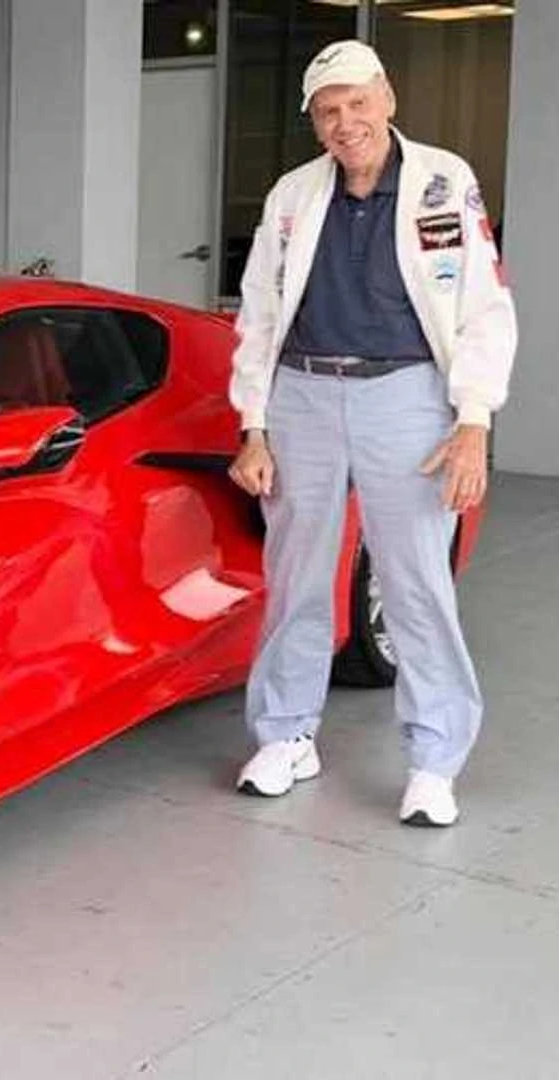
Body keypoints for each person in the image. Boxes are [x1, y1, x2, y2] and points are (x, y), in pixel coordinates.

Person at [226, 40, 517, 826]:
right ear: (315, 124)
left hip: (406, 394)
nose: (345, 122)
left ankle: (434, 758)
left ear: (386, 97)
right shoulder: (292, 195)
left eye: (357, 102)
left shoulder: (441, 182)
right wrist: (254, 424)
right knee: (295, 577)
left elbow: (484, 309)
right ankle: (286, 733)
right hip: (303, 396)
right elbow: (257, 316)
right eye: (328, 111)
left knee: (415, 580)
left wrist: (472, 423)